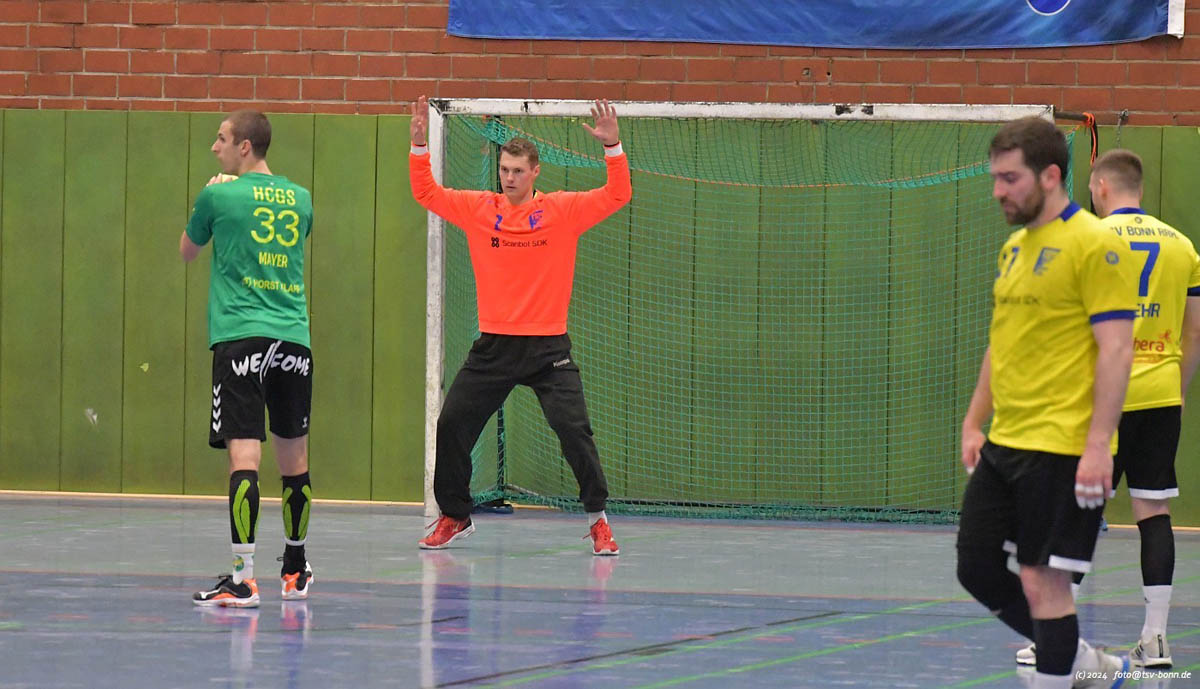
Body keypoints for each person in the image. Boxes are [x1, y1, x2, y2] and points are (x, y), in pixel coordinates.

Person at [957, 117, 1137, 689]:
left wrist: (1097, 445)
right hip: (1006, 442)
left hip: (1063, 445)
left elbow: (1117, 349)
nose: (998, 191)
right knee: (976, 567)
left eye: (1009, 178)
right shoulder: (1014, 248)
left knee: (1043, 581)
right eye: (995, 178)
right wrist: (974, 421)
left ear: (1051, 176)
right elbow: (1002, 341)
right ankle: (1081, 660)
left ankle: (1067, 670)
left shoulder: (1094, 244)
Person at [409, 96, 631, 554]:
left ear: (535, 173)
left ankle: (598, 520)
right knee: (452, 423)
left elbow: (617, 194)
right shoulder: (479, 209)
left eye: (517, 171)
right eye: (504, 170)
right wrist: (418, 146)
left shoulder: (562, 211)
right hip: (494, 347)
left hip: (548, 348)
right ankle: (455, 515)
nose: (508, 178)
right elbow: (426, 192)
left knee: (574, 431)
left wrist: (613, 148)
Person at [181, 110, 316, 607]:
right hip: (293, 339)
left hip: (240, 337)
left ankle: (243, 580)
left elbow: (188, 250)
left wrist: (211, 194)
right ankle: (295, 571)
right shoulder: (301, 198)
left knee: (244, 458)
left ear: (244, 147)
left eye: (221, 139)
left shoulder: (218, 195)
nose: (214, 147)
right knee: (294, 459)